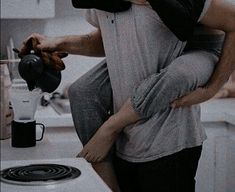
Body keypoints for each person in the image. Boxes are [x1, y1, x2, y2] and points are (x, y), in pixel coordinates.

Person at [19, 0, 235, 191]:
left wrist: (212, 88)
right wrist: (58, 42)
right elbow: (108, 41)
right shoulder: (105, 3)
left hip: (170, 147)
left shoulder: (178, 4)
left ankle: (109, 130)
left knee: (179, 74)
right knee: (80, 91)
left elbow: (231, 21)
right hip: (125, 147)